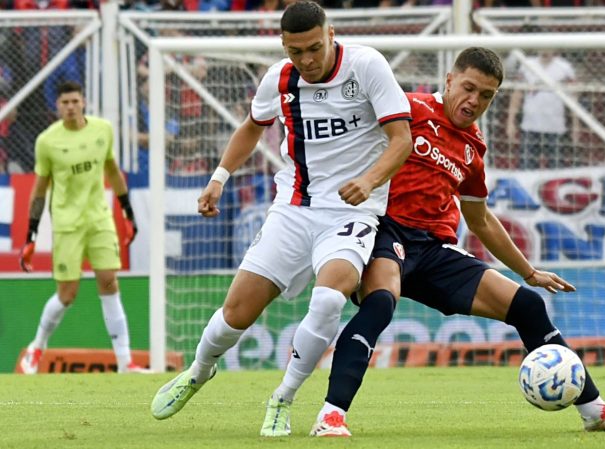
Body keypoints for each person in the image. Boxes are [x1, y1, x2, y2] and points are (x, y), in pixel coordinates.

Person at [306, 47, 605, 436]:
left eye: (487, 95)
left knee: (527, 304)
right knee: (380, 303)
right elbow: (345, 125)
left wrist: (529, 271)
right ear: (449, 81)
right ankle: (331, 415)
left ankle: (595, 410)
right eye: (469, 88)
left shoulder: (473, 147)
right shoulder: (409, 108)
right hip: (384, 232)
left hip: (433, 249)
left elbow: (480, 219)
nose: (474, 101)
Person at [149, 0, 412, 432]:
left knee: (329, 299)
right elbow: (253, 125)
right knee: (236, 313)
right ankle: (198, 371)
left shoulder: (367, 66)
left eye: (313, 48)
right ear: (284, 46)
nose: (306, 60)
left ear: (330, 34)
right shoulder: (279, 78)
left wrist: (368, 180)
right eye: (296, 51)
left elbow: (400, 138)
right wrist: (219, 177)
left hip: (352, 211)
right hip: (292, 209)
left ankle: (282, 398)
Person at [18, 81, 145, 374]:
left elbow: (112, 170)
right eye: (65, 103)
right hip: (67, 224)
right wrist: (31, 234)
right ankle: (37, 347)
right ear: (57, 106)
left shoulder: (103, 130)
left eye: (75, 101)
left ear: (83, 102)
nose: (71, 107)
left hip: (99, 219)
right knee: (67, 294)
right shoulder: (47, 141)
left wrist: (127, 212)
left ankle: (125, 363)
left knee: (109, 281)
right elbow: (39, 190)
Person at [506, 49, 579, 169]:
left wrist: (576, 125)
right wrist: (510, 122)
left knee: (556, 171)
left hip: (555, 128)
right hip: (530, 127)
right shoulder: (527, 65)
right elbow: (517, 95)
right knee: (526, 169)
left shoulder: (565, 68)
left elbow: (573, 98)